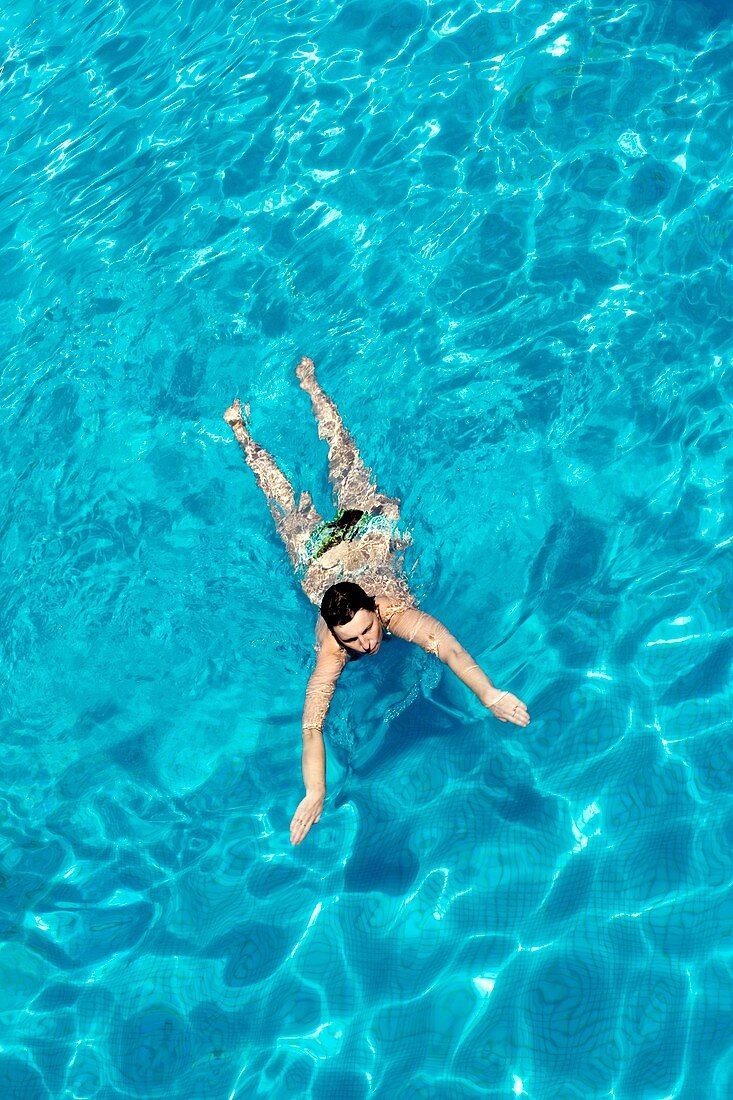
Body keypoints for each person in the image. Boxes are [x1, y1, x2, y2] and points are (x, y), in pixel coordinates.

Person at [224, 356, 530, 845]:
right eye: (354, 639)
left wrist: (488, 693)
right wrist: (314, 792)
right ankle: (240, 431)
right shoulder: (333, 650)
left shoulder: (392, 612)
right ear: (334, 634)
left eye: (367, 629)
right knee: (276, 494)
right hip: (318, 558)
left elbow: (446, 647)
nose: (367, 644)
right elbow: (311, 726)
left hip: (365, 530)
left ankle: (312, 387)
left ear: (373, 606)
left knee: (343, 451)